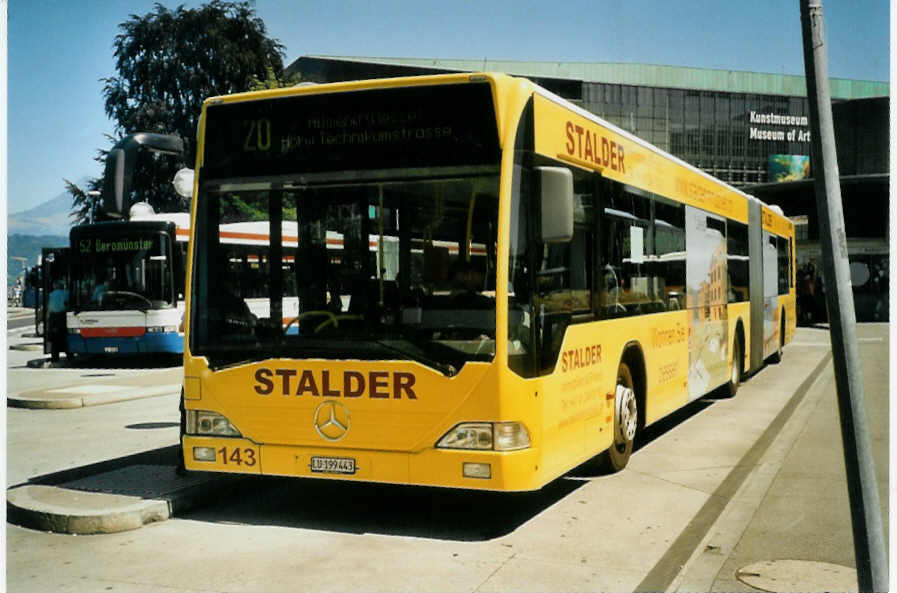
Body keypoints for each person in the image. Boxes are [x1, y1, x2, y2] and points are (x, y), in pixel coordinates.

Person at [47, 280, 68, 362]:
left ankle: (55, 357)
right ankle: (69, 355)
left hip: (53, 317)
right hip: (62, 316)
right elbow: (67, 303)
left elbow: (49, 307)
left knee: (54, 338)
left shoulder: (51, 294)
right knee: (64, 336)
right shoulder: (65, 293)